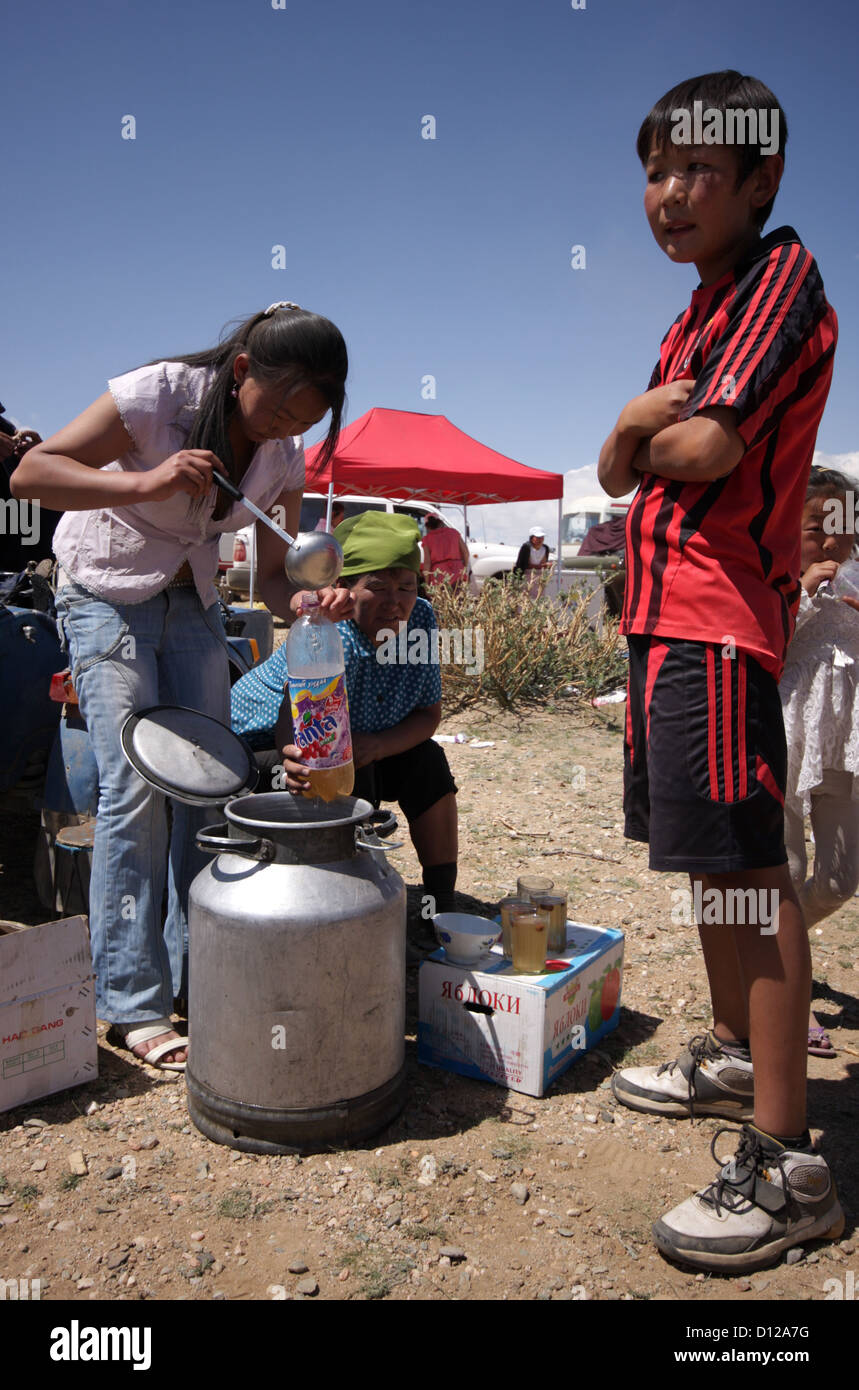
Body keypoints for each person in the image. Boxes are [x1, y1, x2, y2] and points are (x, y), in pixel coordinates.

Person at [598, 70, 841, 1272]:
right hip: (661, 619)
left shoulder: (779, 277)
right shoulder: (692, 316)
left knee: (748, 866)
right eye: (654, 172)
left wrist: (645, 426)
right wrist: (635, 421)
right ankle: (743, 1056)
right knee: (705, 860)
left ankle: (790, 1164)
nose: (669, 194)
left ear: (762, 181)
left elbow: (699, 446)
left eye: (698, 170)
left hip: (718, 617)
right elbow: (617, 470)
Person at [10, 302, 350, 1070]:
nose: (285, 426)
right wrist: (150, 480)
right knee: (135, 787)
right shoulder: (158, 395)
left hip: (192, 597)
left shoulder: (281, 454)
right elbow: (32, 475)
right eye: (281, 403)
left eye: (308, 414)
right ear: (240, 373)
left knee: (209, 783)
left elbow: (268, 579)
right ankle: (129, 1003)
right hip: (102, 588)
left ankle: (200, 975)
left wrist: (307, 599)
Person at [231, 511, 459, 917]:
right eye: (377, 586)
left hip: (357, 743)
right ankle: (350, 900)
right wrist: (295, 756)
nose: (395, 601)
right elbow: (295, 711)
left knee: (427, 762)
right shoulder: (325, 628)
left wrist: (380, 745)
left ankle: (439, 905)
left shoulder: (420, 617)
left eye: (406, 586)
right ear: (342, 588)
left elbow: (428, 714)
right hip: (265, 747)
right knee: (346, 766)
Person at [781, 465, 859, 1057]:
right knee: (779, 867)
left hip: (844, 738)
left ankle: (780, 949)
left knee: (837, 879)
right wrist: (802, 590)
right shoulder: (774, 575)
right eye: (817, 527)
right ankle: (787, 991)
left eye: (844, 525)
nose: (833, 541)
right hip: (780, 731)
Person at [420, 513, 469, 589]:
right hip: (457, 572)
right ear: (440, 522)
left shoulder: (427, 540)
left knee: (441, 600)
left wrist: (427, 584)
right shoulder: (454, 533)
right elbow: (466, 553)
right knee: (458, 598)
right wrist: (464, 568)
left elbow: (427, 563)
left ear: (427, 526)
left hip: (439, 576)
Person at [513, 527, 551, 597]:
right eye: (538, 537)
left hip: (539, 578)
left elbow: (544, 563)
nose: (540, 540)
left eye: (542, 537)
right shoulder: (526, 547)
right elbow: (523, 564)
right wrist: (541, 566)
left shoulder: (545, 548)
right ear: (532, 538)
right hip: (526, 577)